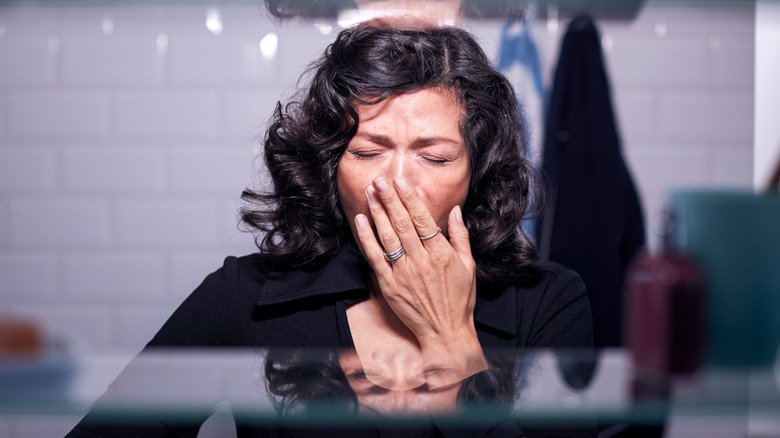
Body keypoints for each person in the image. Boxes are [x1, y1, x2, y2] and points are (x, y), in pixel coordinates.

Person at [68, 20, 593, 437]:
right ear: (328, 163)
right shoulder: (244, 295)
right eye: (367, 152)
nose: (397, 184)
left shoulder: (549, 301)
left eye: (434, 157)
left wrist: (451, 340)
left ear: (476, 171)